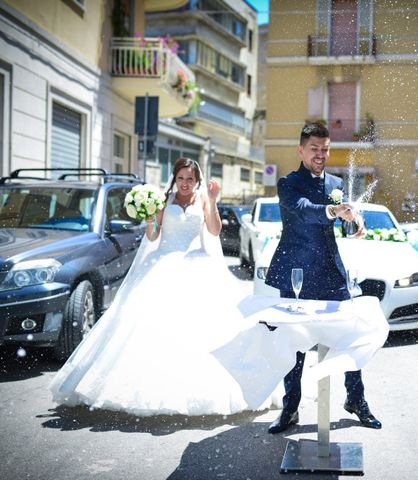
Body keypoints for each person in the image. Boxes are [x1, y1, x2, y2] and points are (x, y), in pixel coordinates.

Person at [48, 158, 259, 416]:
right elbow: (153, 236)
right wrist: (151, 216)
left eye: (190, 179)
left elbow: (214, 231)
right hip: (164, 262)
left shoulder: (204, 199)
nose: (185, 183)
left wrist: (213, 201)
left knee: (199, 327)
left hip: (197, 265)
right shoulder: (163, 199)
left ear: (197, 180)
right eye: (181, 178)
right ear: (174, 178)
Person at [264, 122, 382, 433]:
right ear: (300, 150)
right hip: (297, 273)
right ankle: (290, 409)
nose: (321, 154)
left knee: (349, 336)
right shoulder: (288, 184)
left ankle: (356, 400)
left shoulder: (336, 182)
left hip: (331, 272)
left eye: (325, 148)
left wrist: (354, 221)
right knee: (295, 344)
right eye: (314, 148)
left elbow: (342, 219)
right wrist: (333, 211)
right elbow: (303, 210)